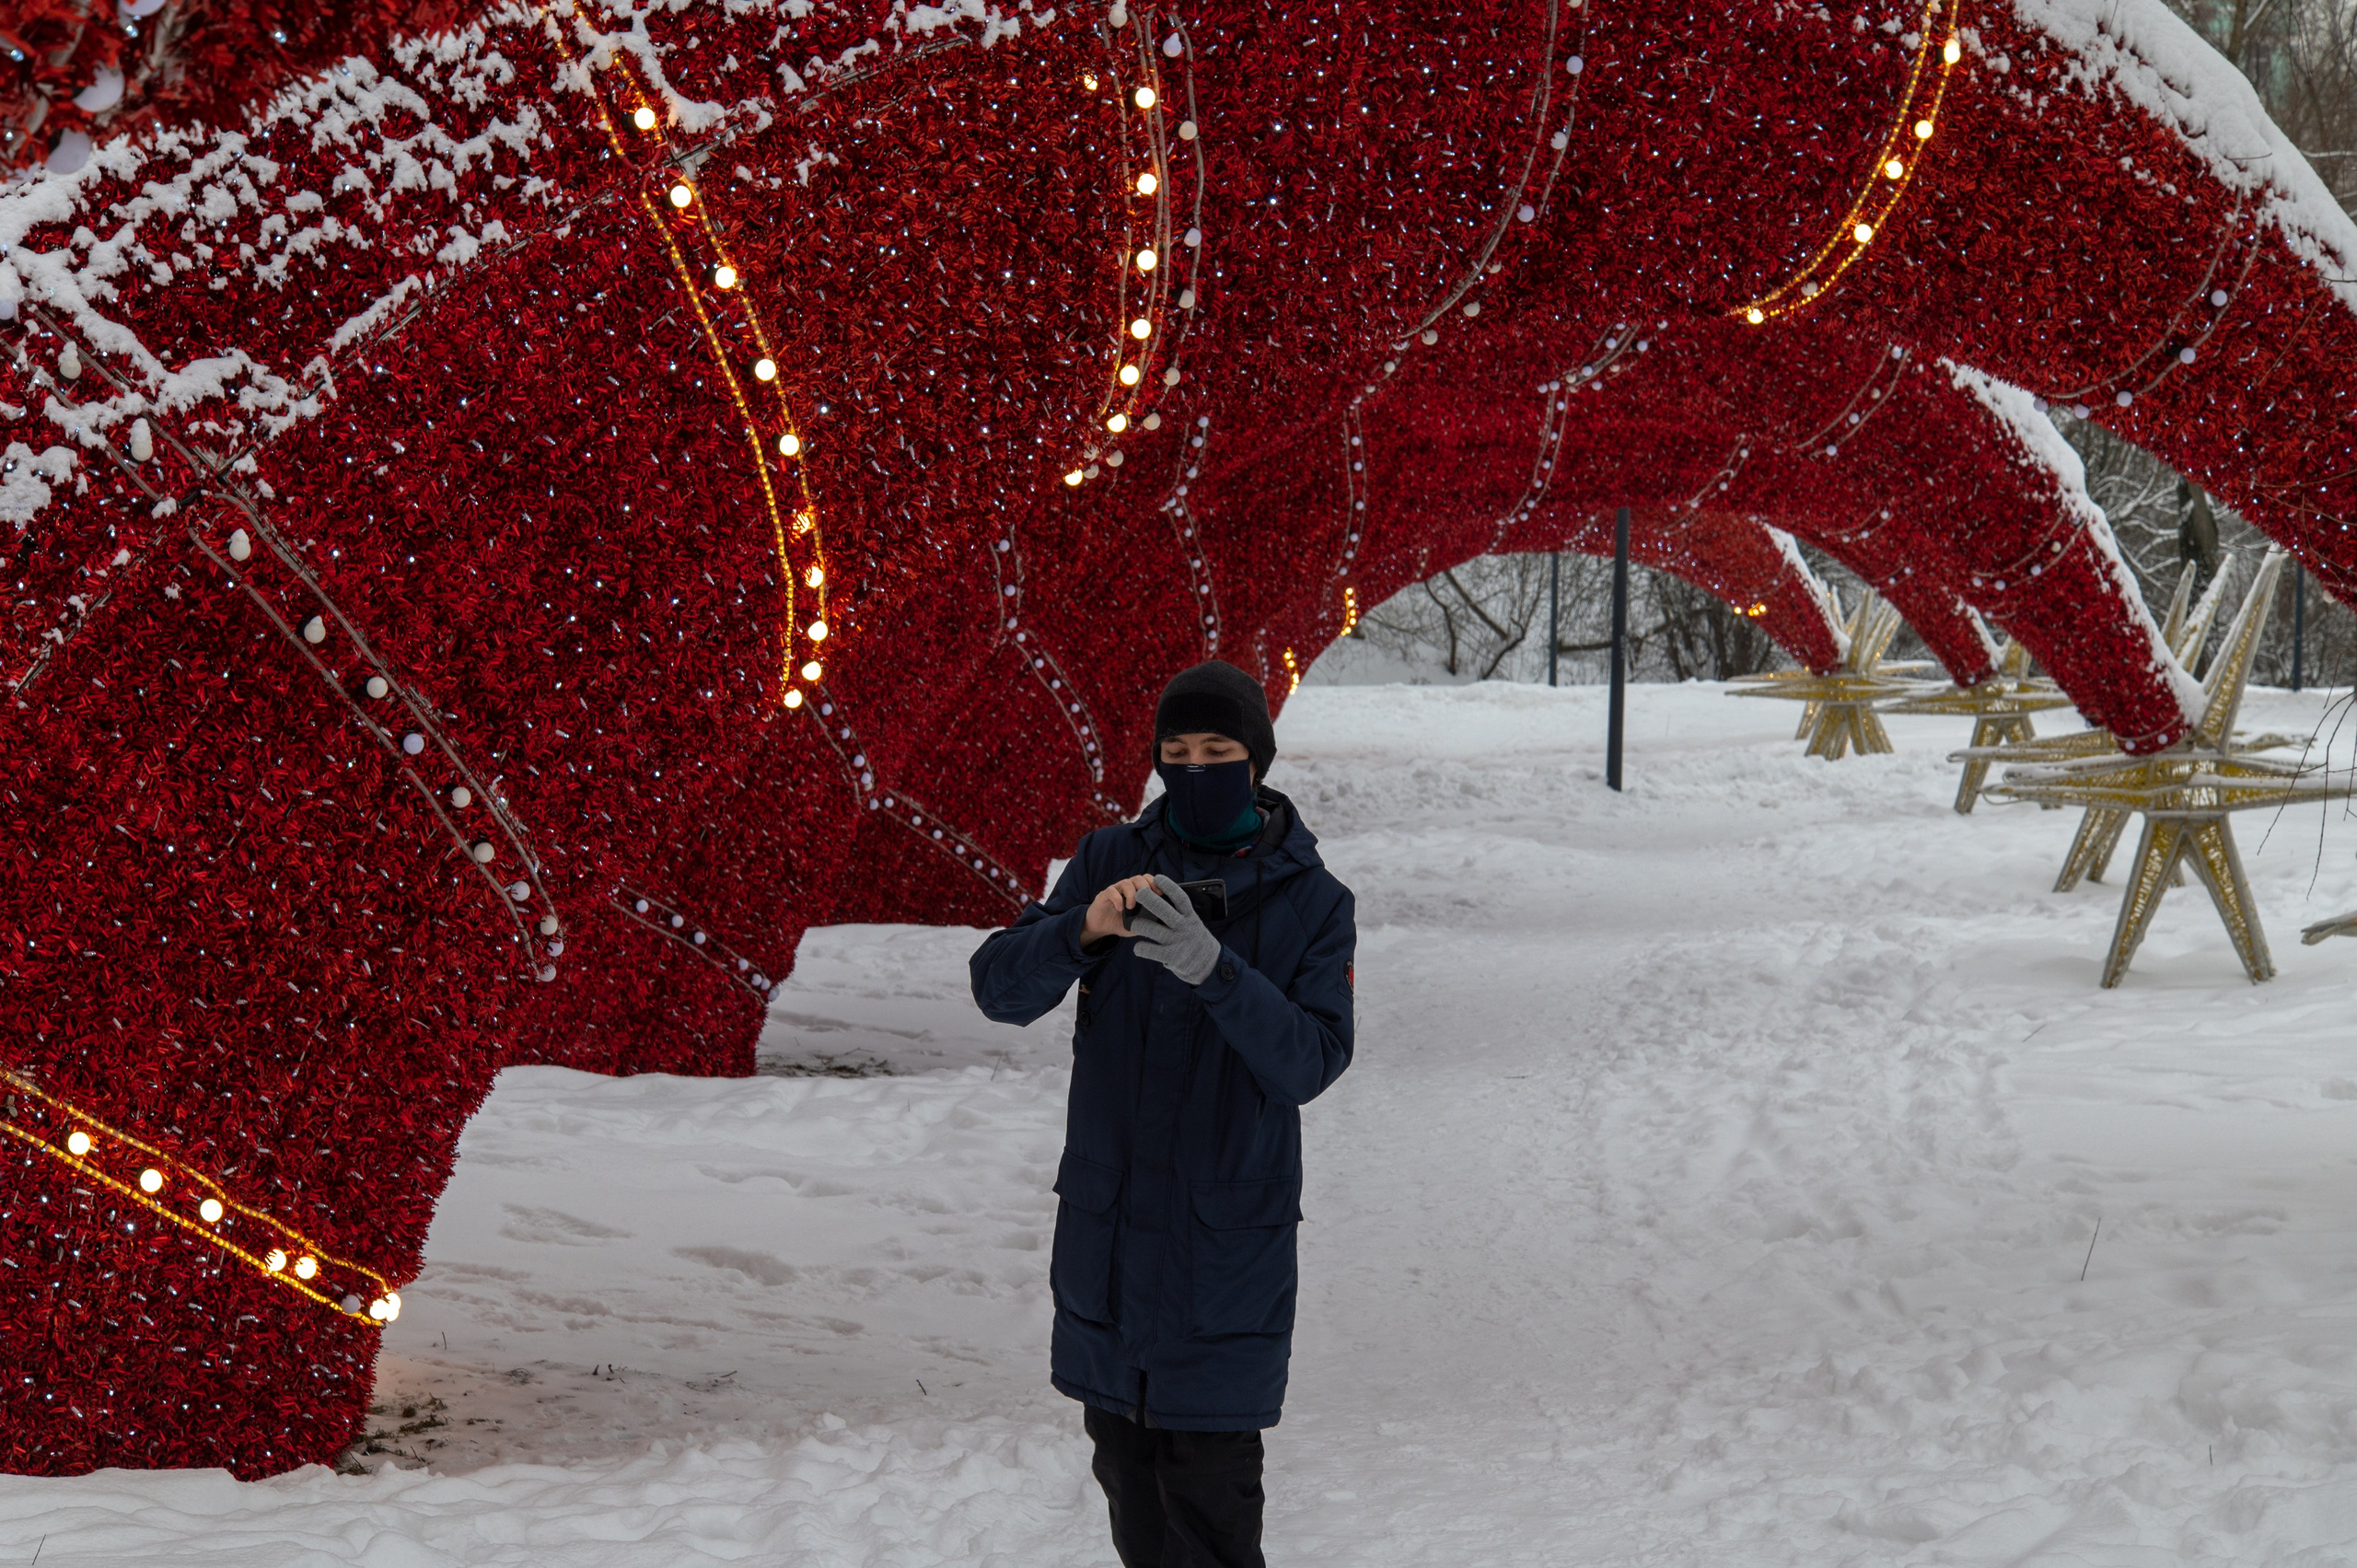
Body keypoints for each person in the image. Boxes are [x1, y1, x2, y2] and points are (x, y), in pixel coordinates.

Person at [969, 659, 1357, 1568]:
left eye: (1216, 750)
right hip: (1112, 1255)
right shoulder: (1110, 859)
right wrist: (1080, 930)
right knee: (1131, 1490)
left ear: (1255, 760)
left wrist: (1213, 968)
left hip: (1223, 1261)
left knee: (1212, 1502)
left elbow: (1309, 1059)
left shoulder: (1313, 901)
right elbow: (999, 987)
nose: (1194, 768)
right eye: (1174, 752)